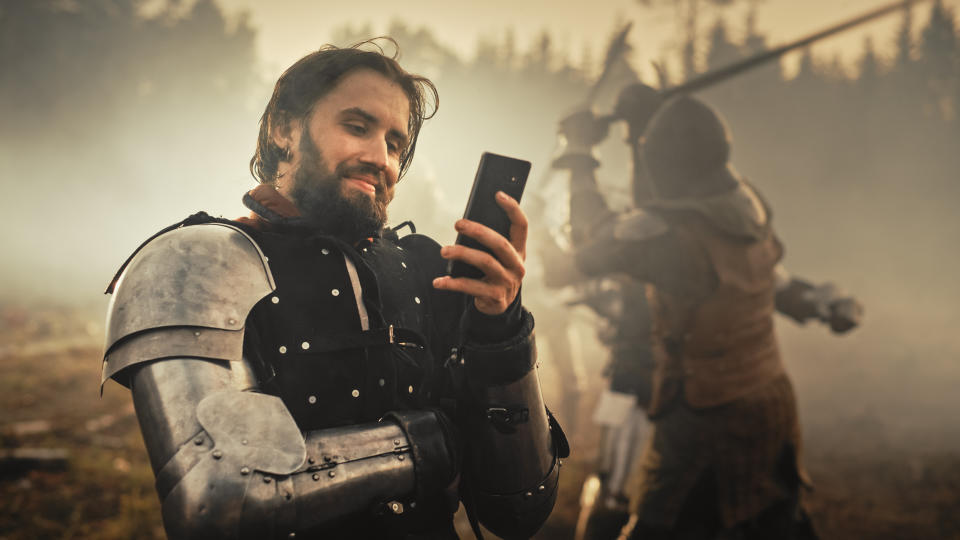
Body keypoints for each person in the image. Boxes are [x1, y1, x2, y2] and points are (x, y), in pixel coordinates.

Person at [100, 41, 566, 540]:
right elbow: (219, 502)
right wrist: (426, 444)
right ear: (285, 128)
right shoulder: (197, 264)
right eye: (356, 127)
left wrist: (501, 327)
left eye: (395, 144)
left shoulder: (431, 270)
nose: (380, 158)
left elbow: (518, 511)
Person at [552, 91, 862, 539]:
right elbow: (770, 281)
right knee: (769, 521)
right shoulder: (742, 213)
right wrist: (642, 131)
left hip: (703, 416)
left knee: (662, 528)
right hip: (770, 403)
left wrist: (580, 153)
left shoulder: (674, 241)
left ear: (661, 163)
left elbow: (591, 241)